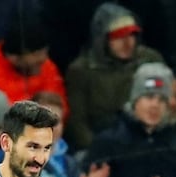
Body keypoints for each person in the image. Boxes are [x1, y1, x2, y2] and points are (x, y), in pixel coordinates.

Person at [64, 2, 165, 150]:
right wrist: (98, 149)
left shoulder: (150, 60)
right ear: (102, 40)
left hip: (147, 139)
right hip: (101, 141)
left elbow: (167, 105)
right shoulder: (82, 70)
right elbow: (77, 123)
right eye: (118, 36)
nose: (127, 43)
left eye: (132, 34)